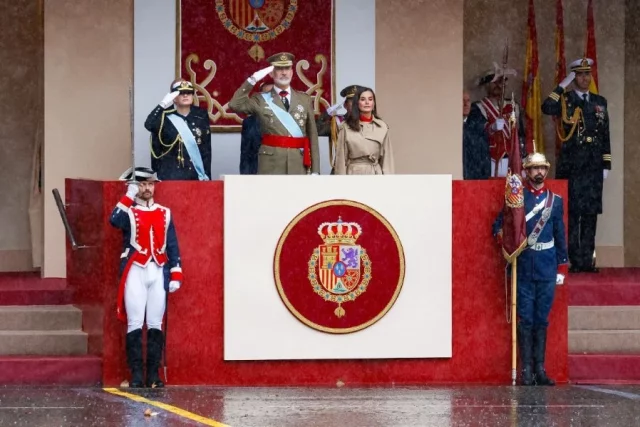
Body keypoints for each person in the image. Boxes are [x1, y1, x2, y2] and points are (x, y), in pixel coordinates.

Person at [492, 153, 568, 386]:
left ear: (546, 171)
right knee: (525, 318)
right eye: (534, 168)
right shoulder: (517, 198)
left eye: (542, 168)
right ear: (525, 171)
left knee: (541, 319)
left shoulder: (555, 201)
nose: (539, 173)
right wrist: (506, 240)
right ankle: (526, 370)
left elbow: (560, 235)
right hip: (524, 265)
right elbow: (498, 226)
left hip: (546, 265)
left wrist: (561, 266)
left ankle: (540, 369)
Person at [109, 167, 183, 388]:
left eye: (150, 184)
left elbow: (172, 245)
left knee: (154, 323)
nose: (147, 188)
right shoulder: (128, 212)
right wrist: (128, 194)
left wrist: (176, 273)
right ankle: (136, 375)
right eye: (142, 184)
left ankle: (153, 375)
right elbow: (114, 220)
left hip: (158, 270)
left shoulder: (165, 212)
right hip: (135, 270)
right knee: (134, 322)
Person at [541, 57, 611, 273]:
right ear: (574, 77)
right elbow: (546, 106)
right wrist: (562, 85)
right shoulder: (566, 100)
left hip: (592, 166)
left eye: (587, 74)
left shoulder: (600, 101)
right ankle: (573, 260)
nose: (585, 78)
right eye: (580, 74)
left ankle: (586, 260)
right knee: (572, 214)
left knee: (590, 214)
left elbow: (605, 134)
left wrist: (607, 163)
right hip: (572, 165)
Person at [229, 52, 320, 175]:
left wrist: (315, 170)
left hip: (297, 164)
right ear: (271, 73)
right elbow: (235, 104)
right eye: (279, 68)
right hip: (270, 164)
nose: (284, 72)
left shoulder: (304, 99)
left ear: (292, 72)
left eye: (287, 68)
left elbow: (312, 136)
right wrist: (252, 79)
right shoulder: (260, 99)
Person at [467, 63, 526, 177]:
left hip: (513, 157)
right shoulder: (478, 107)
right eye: (494, 82)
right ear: (486, 85)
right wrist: (491, 128)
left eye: (501, 82)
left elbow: (520, 133)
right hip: (489, 158)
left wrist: (523, 155)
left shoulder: (514, 106)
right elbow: (474, 133)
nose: (498, 85)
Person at [145, 80, 211, 181]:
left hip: (194, 174)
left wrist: (207, 176)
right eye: (180, 93)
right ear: (174, 98)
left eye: (188, 93)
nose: (185, 95)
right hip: (170, 174)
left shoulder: (201, 115)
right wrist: (163, 104)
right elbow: (149, 125)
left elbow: (206, 149)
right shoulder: (164, 116)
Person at [334, 87, 394, 175]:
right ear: (357, 103)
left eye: (370, 99)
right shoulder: (345, 127)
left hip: (375, 174)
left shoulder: (382, 127)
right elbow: (341, 160)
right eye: (362, 99)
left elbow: (387, 160)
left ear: (374, 104)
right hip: (353, 174)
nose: (367, 102)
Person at [316, 85, 365, 174]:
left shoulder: (371, 123)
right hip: (341, 168)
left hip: (363, 170)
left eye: (358, 101)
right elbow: (317, 130)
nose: (355, 105)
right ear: (345, 105)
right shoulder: (337, 122)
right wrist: (327, 112)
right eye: (352, 101)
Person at [239, 80, 274, 174]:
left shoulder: (289, 120)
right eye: (266, 94)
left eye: (272, 94)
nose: (269, 97)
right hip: (257, 173)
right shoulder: (249, 122)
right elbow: (245, 155)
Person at [462, 90, 491, 179]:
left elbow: (485, 156)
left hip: (476, 178)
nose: (466, 104)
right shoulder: (451, 126)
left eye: (468, 101)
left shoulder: (478, 125)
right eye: (462, 101)